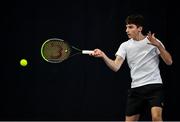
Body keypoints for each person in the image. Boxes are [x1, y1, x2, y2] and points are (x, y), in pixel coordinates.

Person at [90, 14, 173, 121]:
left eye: (130, 27)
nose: (126, 30)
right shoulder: (125, 46)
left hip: (154, 86)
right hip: (136, 89)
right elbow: (116, 66)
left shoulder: (154, 42)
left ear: (139, 28)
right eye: (126, 27)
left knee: (156, 118)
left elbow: (169, 61)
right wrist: (103, 56)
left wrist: (158, 45)